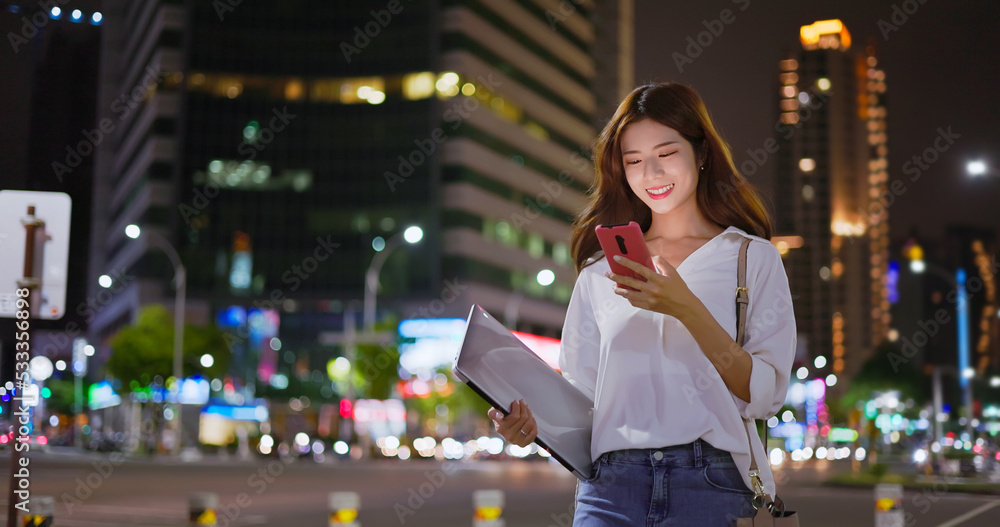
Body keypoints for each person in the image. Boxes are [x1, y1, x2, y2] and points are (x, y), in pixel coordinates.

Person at [488, 82, 796, 525]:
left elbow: (764, 393)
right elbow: (582, 398)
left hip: (710, 483)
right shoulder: (599, 271)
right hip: (611, 486)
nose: (651, 173)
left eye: (666, 154)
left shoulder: (750, 258)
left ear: (702, 152)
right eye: (633, 161)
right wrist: (531, 426)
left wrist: (685, 306)